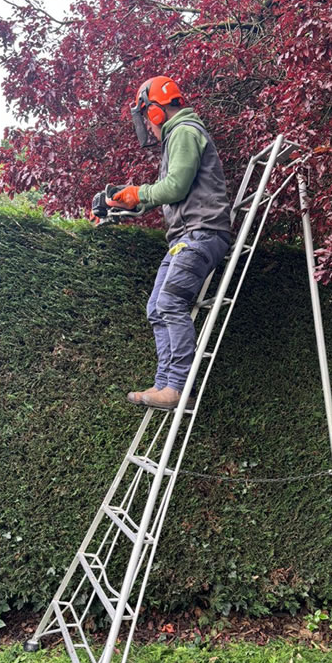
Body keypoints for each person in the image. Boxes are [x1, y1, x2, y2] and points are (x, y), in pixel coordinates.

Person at [105, 75, 231, 411]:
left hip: (202, 233)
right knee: (155, 308)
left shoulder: (185, 132)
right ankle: (164, 384)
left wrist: (140, 192)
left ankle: (177, 387)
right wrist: (130, 201)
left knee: (171, 303)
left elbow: (175, 187)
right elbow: (172, 192)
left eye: (146, 115)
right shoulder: (178, 136)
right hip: (185, 237)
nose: (147, 123)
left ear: (157, 112)